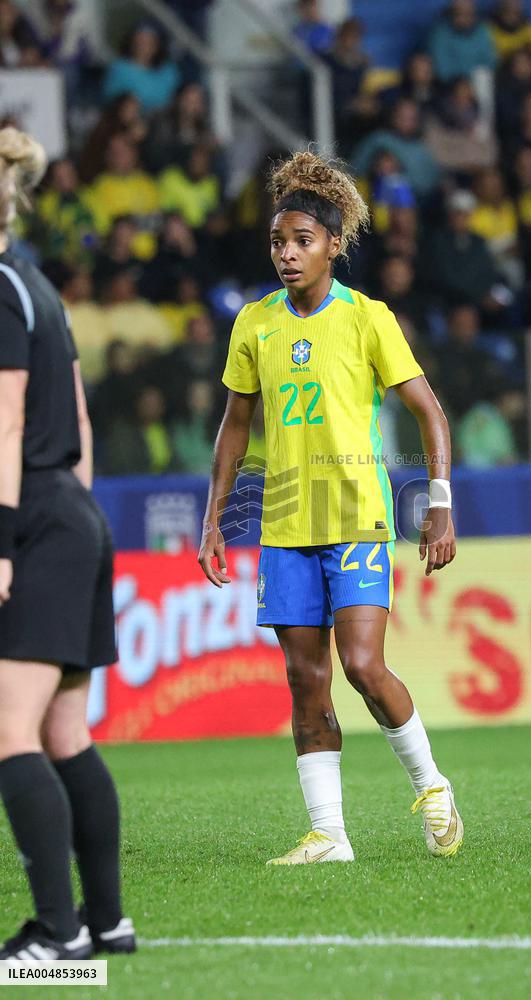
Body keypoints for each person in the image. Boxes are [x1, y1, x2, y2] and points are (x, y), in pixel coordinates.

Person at [197, 151, 463, 865]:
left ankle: (431, 785)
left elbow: (429, 413)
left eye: (303, 242)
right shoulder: (254, 323)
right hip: (285, 522)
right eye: (279, 243)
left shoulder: (367, 318)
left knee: (363, 666)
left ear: (333, 246)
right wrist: (214, 517)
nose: (288, 255)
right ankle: (329, 834)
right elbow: (235, 425)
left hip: (355, 518)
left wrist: (439, 504)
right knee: (303, 680)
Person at [0, 127, 134, 960]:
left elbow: (5, 421)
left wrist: (8, 541)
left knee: (9, 734)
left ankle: (57, 934)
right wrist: (68, 527)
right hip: (74, 515)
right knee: (64, 734)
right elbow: (78, 424)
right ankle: (106, 922)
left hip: (34, 520)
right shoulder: (37, 285)